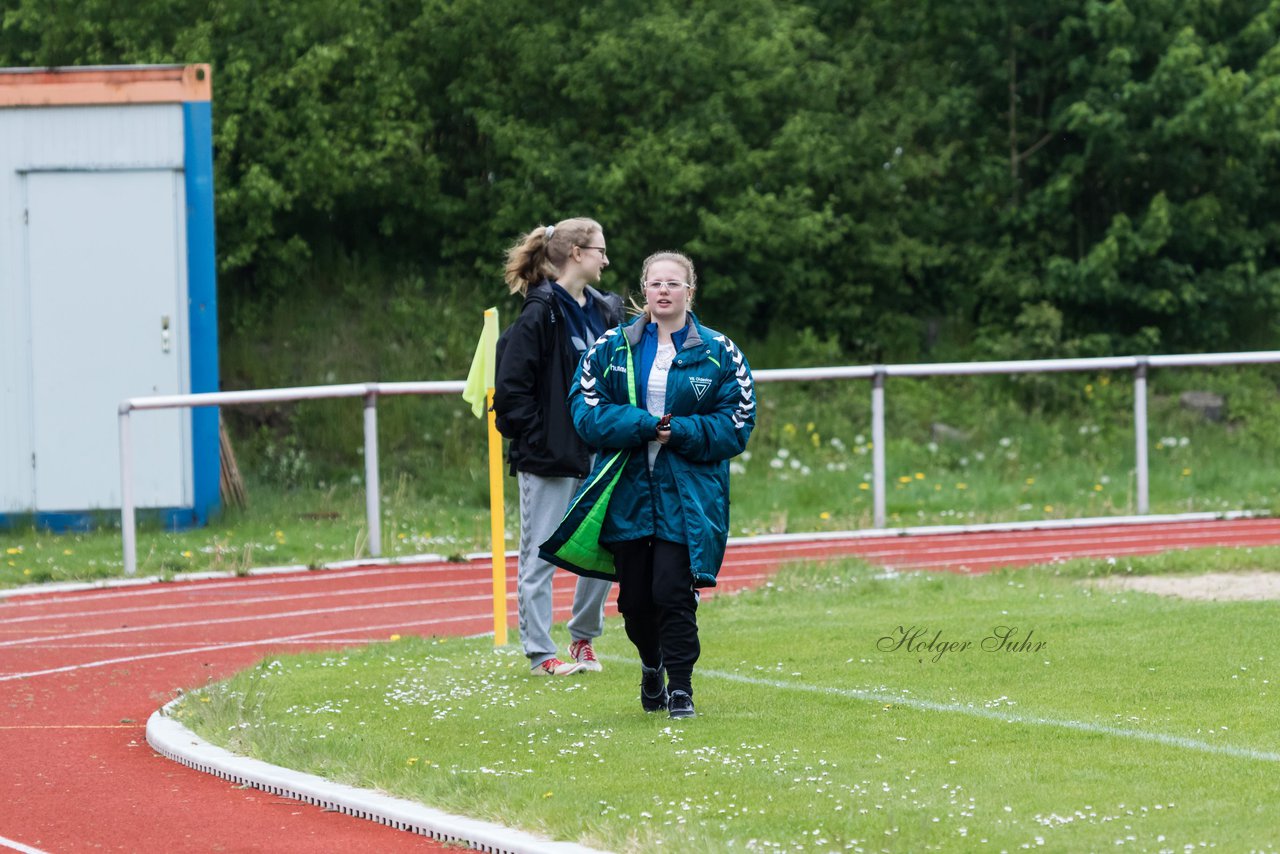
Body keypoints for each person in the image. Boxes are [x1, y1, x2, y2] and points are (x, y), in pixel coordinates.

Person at [540, 250, 755, 718]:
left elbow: (736, 423)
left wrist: (679, 431)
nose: (664, 291)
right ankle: (650, 665)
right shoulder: (611, 347)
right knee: (635, 601)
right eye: (656, 283)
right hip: (628, 491)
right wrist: (643, 425)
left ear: (689, 292)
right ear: (644, 290)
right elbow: (586, 411)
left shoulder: (720, 352)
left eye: (673, 284)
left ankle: (681, 688)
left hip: (689, 494)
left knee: (673, 592)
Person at [493, 218, 624, 677]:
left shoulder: (606, 310)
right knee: (541, 554)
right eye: (599, 250)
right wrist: (538, 436)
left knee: (604, 547)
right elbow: (510, 389)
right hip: (548, 456)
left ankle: (583, 639)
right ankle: (539, 653)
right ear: (575, 254)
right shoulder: (541, 310)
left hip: (598, 452)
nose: (605, 260)